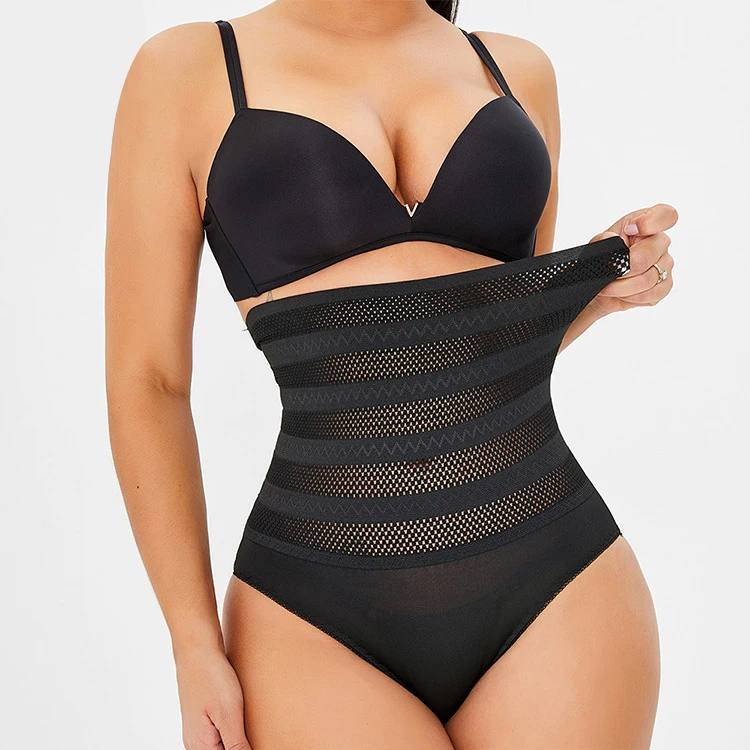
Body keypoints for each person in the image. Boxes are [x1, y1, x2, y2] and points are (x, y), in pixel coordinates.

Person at [105, 1, 677, 748]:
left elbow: (491, 346)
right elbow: (147, 381)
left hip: (556, 577)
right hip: (313, 611)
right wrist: (192, 644)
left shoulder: (517, 70)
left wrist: (593, 295)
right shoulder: (187, 69)